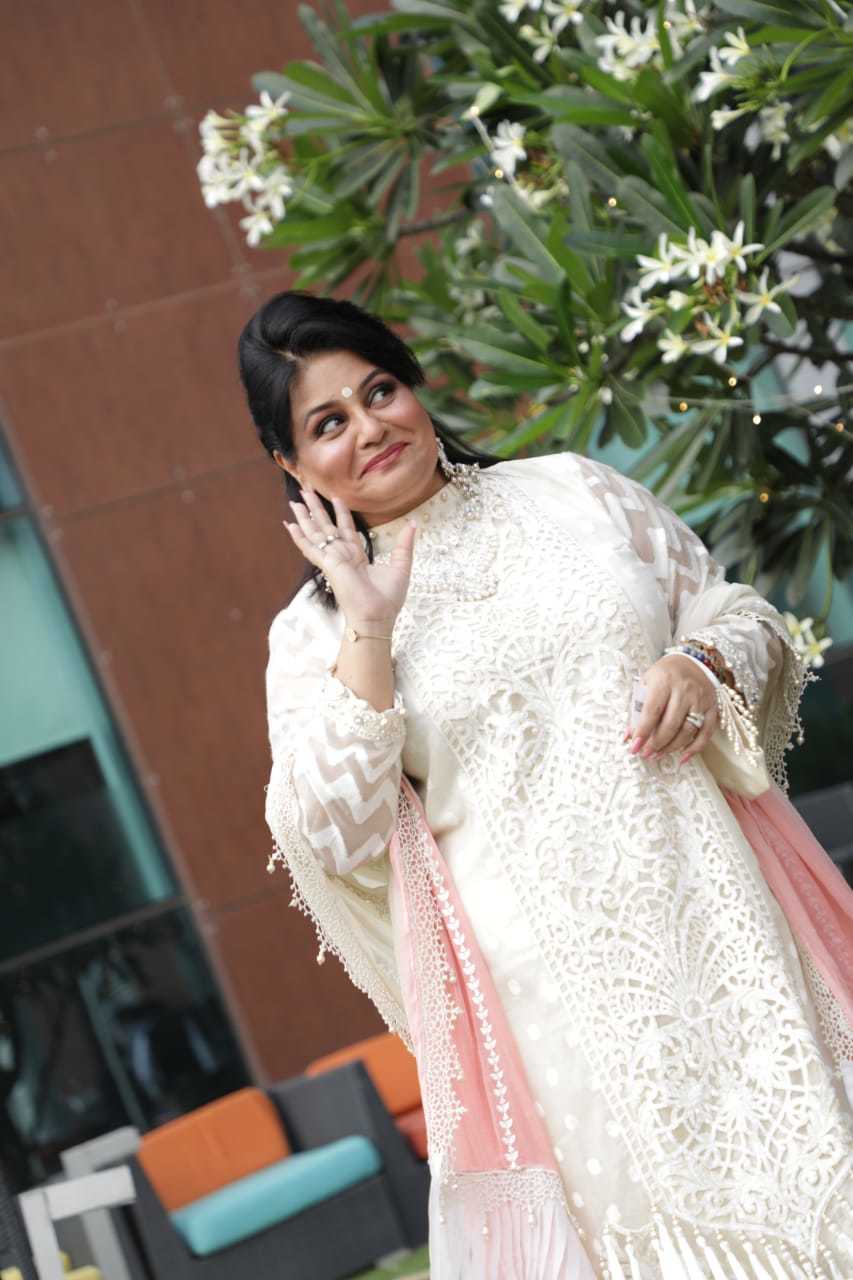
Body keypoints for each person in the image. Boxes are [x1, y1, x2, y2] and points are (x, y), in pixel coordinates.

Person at [239, 290, 853, 1279]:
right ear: (290, 463)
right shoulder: (313, 635)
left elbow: (735, 612)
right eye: (327, 423)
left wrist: (700, 662)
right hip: (556, 997)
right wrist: (368, 626)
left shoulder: (571, 492)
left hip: (721, 911)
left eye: (378, 390)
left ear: (412, 384)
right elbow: (330, 833)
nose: (369, 428)